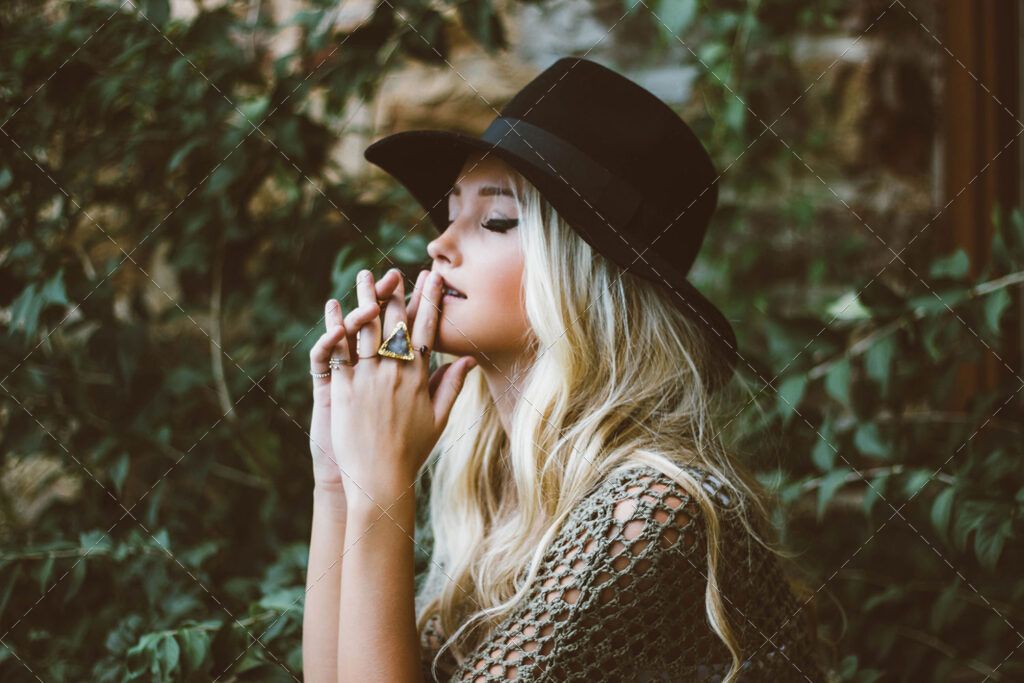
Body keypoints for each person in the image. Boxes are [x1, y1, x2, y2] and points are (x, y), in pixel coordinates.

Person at [303, 57, 831, 682]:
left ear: (582, 280)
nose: (438, 245)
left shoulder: (649, 512)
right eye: (450, 213)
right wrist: (338, 480)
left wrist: (379, 487)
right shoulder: (501, 489)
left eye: (496, 220)